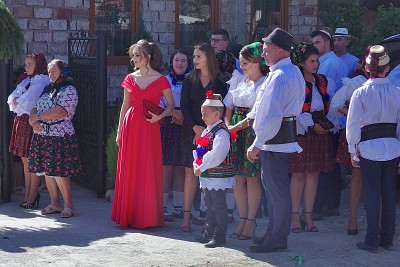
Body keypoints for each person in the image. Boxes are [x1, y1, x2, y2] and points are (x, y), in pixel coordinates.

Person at [247, 28, 305, 253]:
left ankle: (278, 237)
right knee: (274, 190)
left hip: (275, 140)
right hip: (279, 138)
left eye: (267, 49)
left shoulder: (281, 75)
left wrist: (258, 142)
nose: (263, 53)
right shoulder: (290, 71)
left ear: (280, 51)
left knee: (276, 191)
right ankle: (274, 233)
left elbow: (272, 114)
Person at [111, 40, 175, 229]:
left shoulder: (162, 79)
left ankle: (146, 217)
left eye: (137, 55)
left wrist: (159, 117)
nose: (134, 59)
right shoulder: (130, 78)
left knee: (147, 168)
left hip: (149, 127)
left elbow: (170, 105)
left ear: (147, 57)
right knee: (130, 168)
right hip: (131, 126)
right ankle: (129, 214)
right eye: (133, 55)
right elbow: (125, 105)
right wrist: (119, 131)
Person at [346, 45, 400, 252]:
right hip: (392, 146)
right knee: (388, 193)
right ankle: (386, 238)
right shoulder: (397, 92)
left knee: (372, 194)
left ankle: (371, 240)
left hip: (368, 147)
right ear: (387, 68)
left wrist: (353, 150)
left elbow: (352, 124)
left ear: (368, 69)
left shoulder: (360, 92)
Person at [180, 43, 228, 233]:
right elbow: (184, 105)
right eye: (194, 57)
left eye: (198, 56)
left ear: (208, 57)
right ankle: (185, 218)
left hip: (214, 133)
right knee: (190, 173)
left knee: (210, 173)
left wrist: (209, 130)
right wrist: (196, 128)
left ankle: (208, 219)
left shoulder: (220, 81)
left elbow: (222, 108)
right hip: (192, 131)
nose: (195, 60)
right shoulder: (189, 79)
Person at [289, 42, 336, 233]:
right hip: (303, 131)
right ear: (301, 63)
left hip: (318, 130)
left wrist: (326, 124)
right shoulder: (296, 82)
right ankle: (294, 217)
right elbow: (295, 108)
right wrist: (310, 125)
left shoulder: (322, 81)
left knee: (313, 175)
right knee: (298, 174)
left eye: (317, 61)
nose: (316, 64)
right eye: (312, 61)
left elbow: (328, 104)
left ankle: (307, 215)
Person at [223, 42, 267, 240]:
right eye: (241, 62)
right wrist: (227, 127)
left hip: (251, 131)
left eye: (246, 62)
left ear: (257, 61)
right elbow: (229, 107)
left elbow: (257, 115)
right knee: (237, 179)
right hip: (235, 132)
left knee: (251, 177)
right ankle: (242, 219)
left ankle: (251, 221)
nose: (243, 66)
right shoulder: (239, 81)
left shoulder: (264, 84)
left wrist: (235, 127)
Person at [28, 59, 80, 218]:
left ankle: (68, 205)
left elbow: (60, 112)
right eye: (49, 71)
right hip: (43, 134)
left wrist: (37, 117)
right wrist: (34, 122)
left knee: (59, 171)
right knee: (47, 171)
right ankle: (54, 203)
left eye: (54, 71)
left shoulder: (68, 89)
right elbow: (36, 107)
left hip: (59, 135)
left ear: (62, 72)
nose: (51, 74)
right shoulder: (48, 88)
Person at [327, 46, 371, 235]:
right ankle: (353, 221)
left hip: (370, 134)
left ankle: (366, 224)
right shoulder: (357, 82)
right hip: (359, 133)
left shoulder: (386, 83)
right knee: (359, 178)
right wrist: (354, 115)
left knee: (370, 179)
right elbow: (335, 104)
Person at [311, 27, 348, 220]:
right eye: (313, 43)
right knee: (331, 166)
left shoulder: (328, 63)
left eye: (318, 43)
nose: (315, 46)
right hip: (334, 119)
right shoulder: (330, 61)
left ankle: (322, 205)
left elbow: (327, 95)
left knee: (325, 166)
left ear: (327, 43)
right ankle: (330, 204)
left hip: (330, 120)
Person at [193, 92, 236, 248]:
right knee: (209, 204)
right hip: (207, 174)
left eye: (206, 114)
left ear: (217, 114)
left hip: (217, 175)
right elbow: (200, 150)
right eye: (202, 114)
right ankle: (209, 232)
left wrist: (201, 166)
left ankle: (220, 236)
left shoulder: (221, 133)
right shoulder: (208, 131)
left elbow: (216, 155)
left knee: (218, 205)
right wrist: (196, 164)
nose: (203, 117)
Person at [8, 52, 49, 209]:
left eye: (30, 64)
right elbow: (12, 98)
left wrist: (18, 100)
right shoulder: (26, 81)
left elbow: (26, 102)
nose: (27, 67)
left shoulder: (40, 81)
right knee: (25, 160)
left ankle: (32, 195)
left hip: (30, 121)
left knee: (32, 160)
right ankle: (28, 194)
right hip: (21, 120)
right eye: (25, 64)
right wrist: (17, 100)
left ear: (37, 64)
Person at [161, 48, 191, 221]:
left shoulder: (191, 81)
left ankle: (179, 208)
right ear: (171, 62)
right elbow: (158, 103)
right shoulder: (165, 81)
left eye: (183, 61)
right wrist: (174, 114)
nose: (180, 64)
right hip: (168, 125)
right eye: (177, 60)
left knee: (181, 167)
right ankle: (163, 206)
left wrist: (184, 116)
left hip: (185, 126)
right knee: (166, 168)